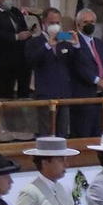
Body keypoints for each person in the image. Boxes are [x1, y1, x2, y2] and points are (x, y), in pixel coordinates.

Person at [16, 137, 78, 205]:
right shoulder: (30, 192)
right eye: (60, 160)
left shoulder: (64, 189)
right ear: (45, 163)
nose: (66, 164)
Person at [25, 8, 73, 136]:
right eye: (52, 23)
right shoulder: (34, 42)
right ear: (43, 23)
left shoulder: (64, 41)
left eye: (58, 22)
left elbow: (75, 61)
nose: (55, 26)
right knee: (46, 135)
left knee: (63, 135)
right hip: (46, 95)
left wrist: (77, 45)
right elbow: (31, 60)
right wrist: (47, 46)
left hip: (64, 95)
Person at [68, 8, 103, 138]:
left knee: (99, 135)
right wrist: (96, 80)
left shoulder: (98, 42)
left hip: (101, 96)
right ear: (78, 24)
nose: (90, 25)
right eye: (86, 22)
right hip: (83, 96)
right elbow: (77, 65)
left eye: (92, 22)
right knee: (83, 136)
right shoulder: (72, 40)